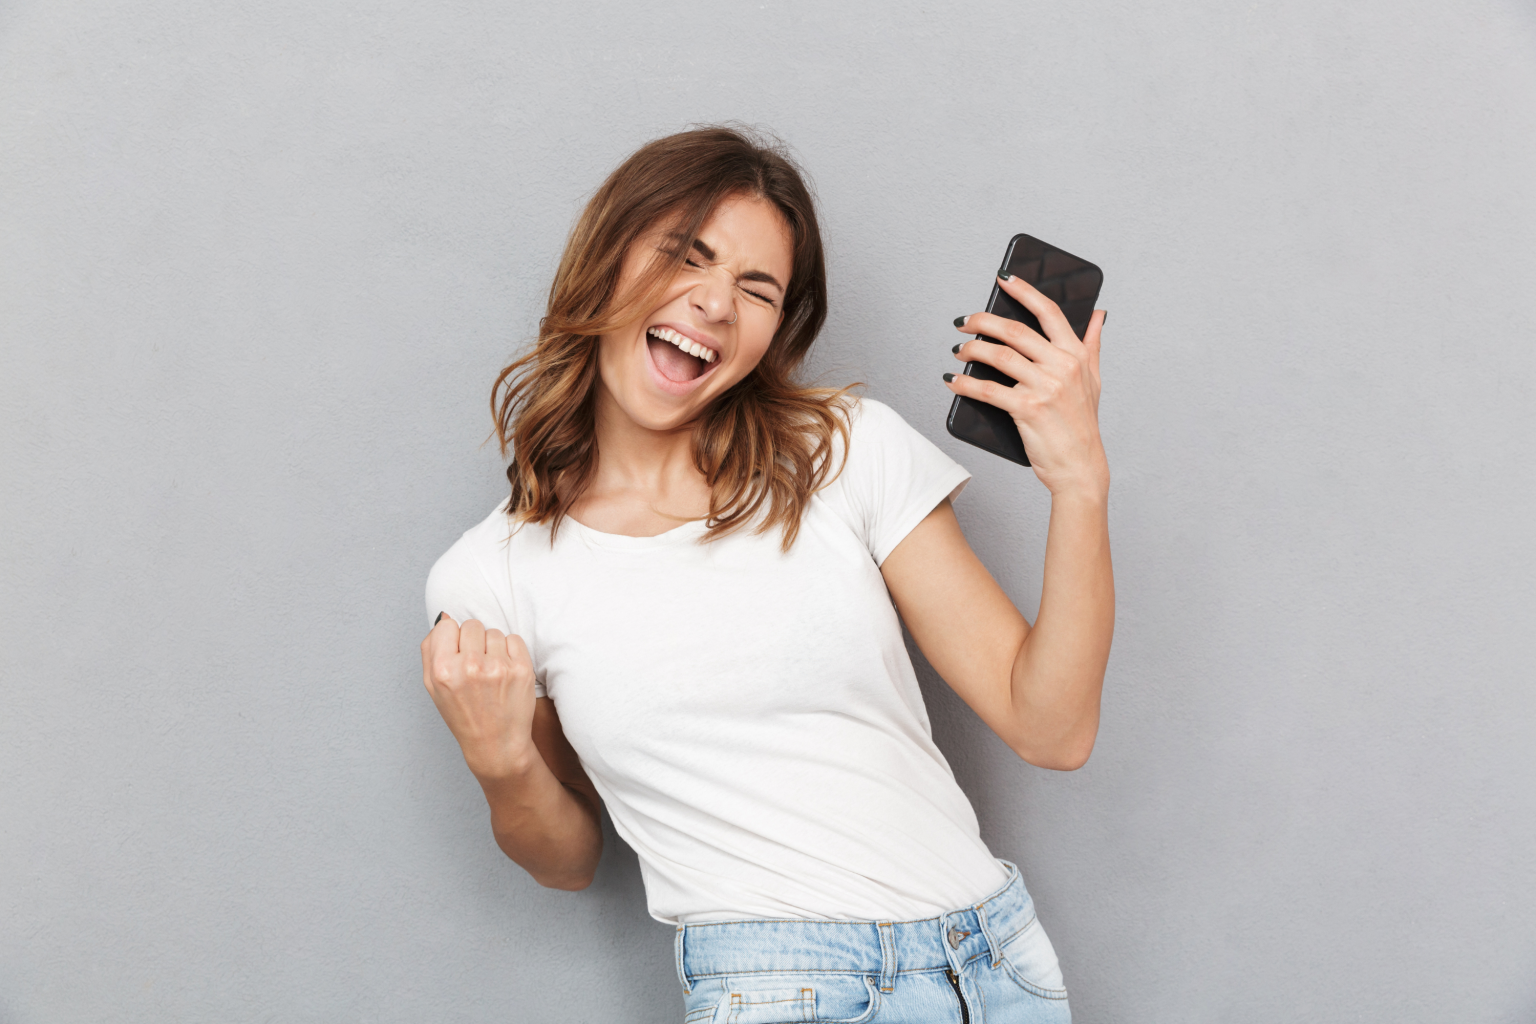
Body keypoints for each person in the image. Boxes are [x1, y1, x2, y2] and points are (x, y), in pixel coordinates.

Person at [420, 126, 1113, 1023]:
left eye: (757, 289)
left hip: (997, 968)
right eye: (686, 256)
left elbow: (1050, 727)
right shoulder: (495, 575)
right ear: (605, 261)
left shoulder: (843, 451)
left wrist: (1081, 483)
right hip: (786, 988)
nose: (714, 303)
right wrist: (498, 756)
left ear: (772, 334)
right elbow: (567, 859)